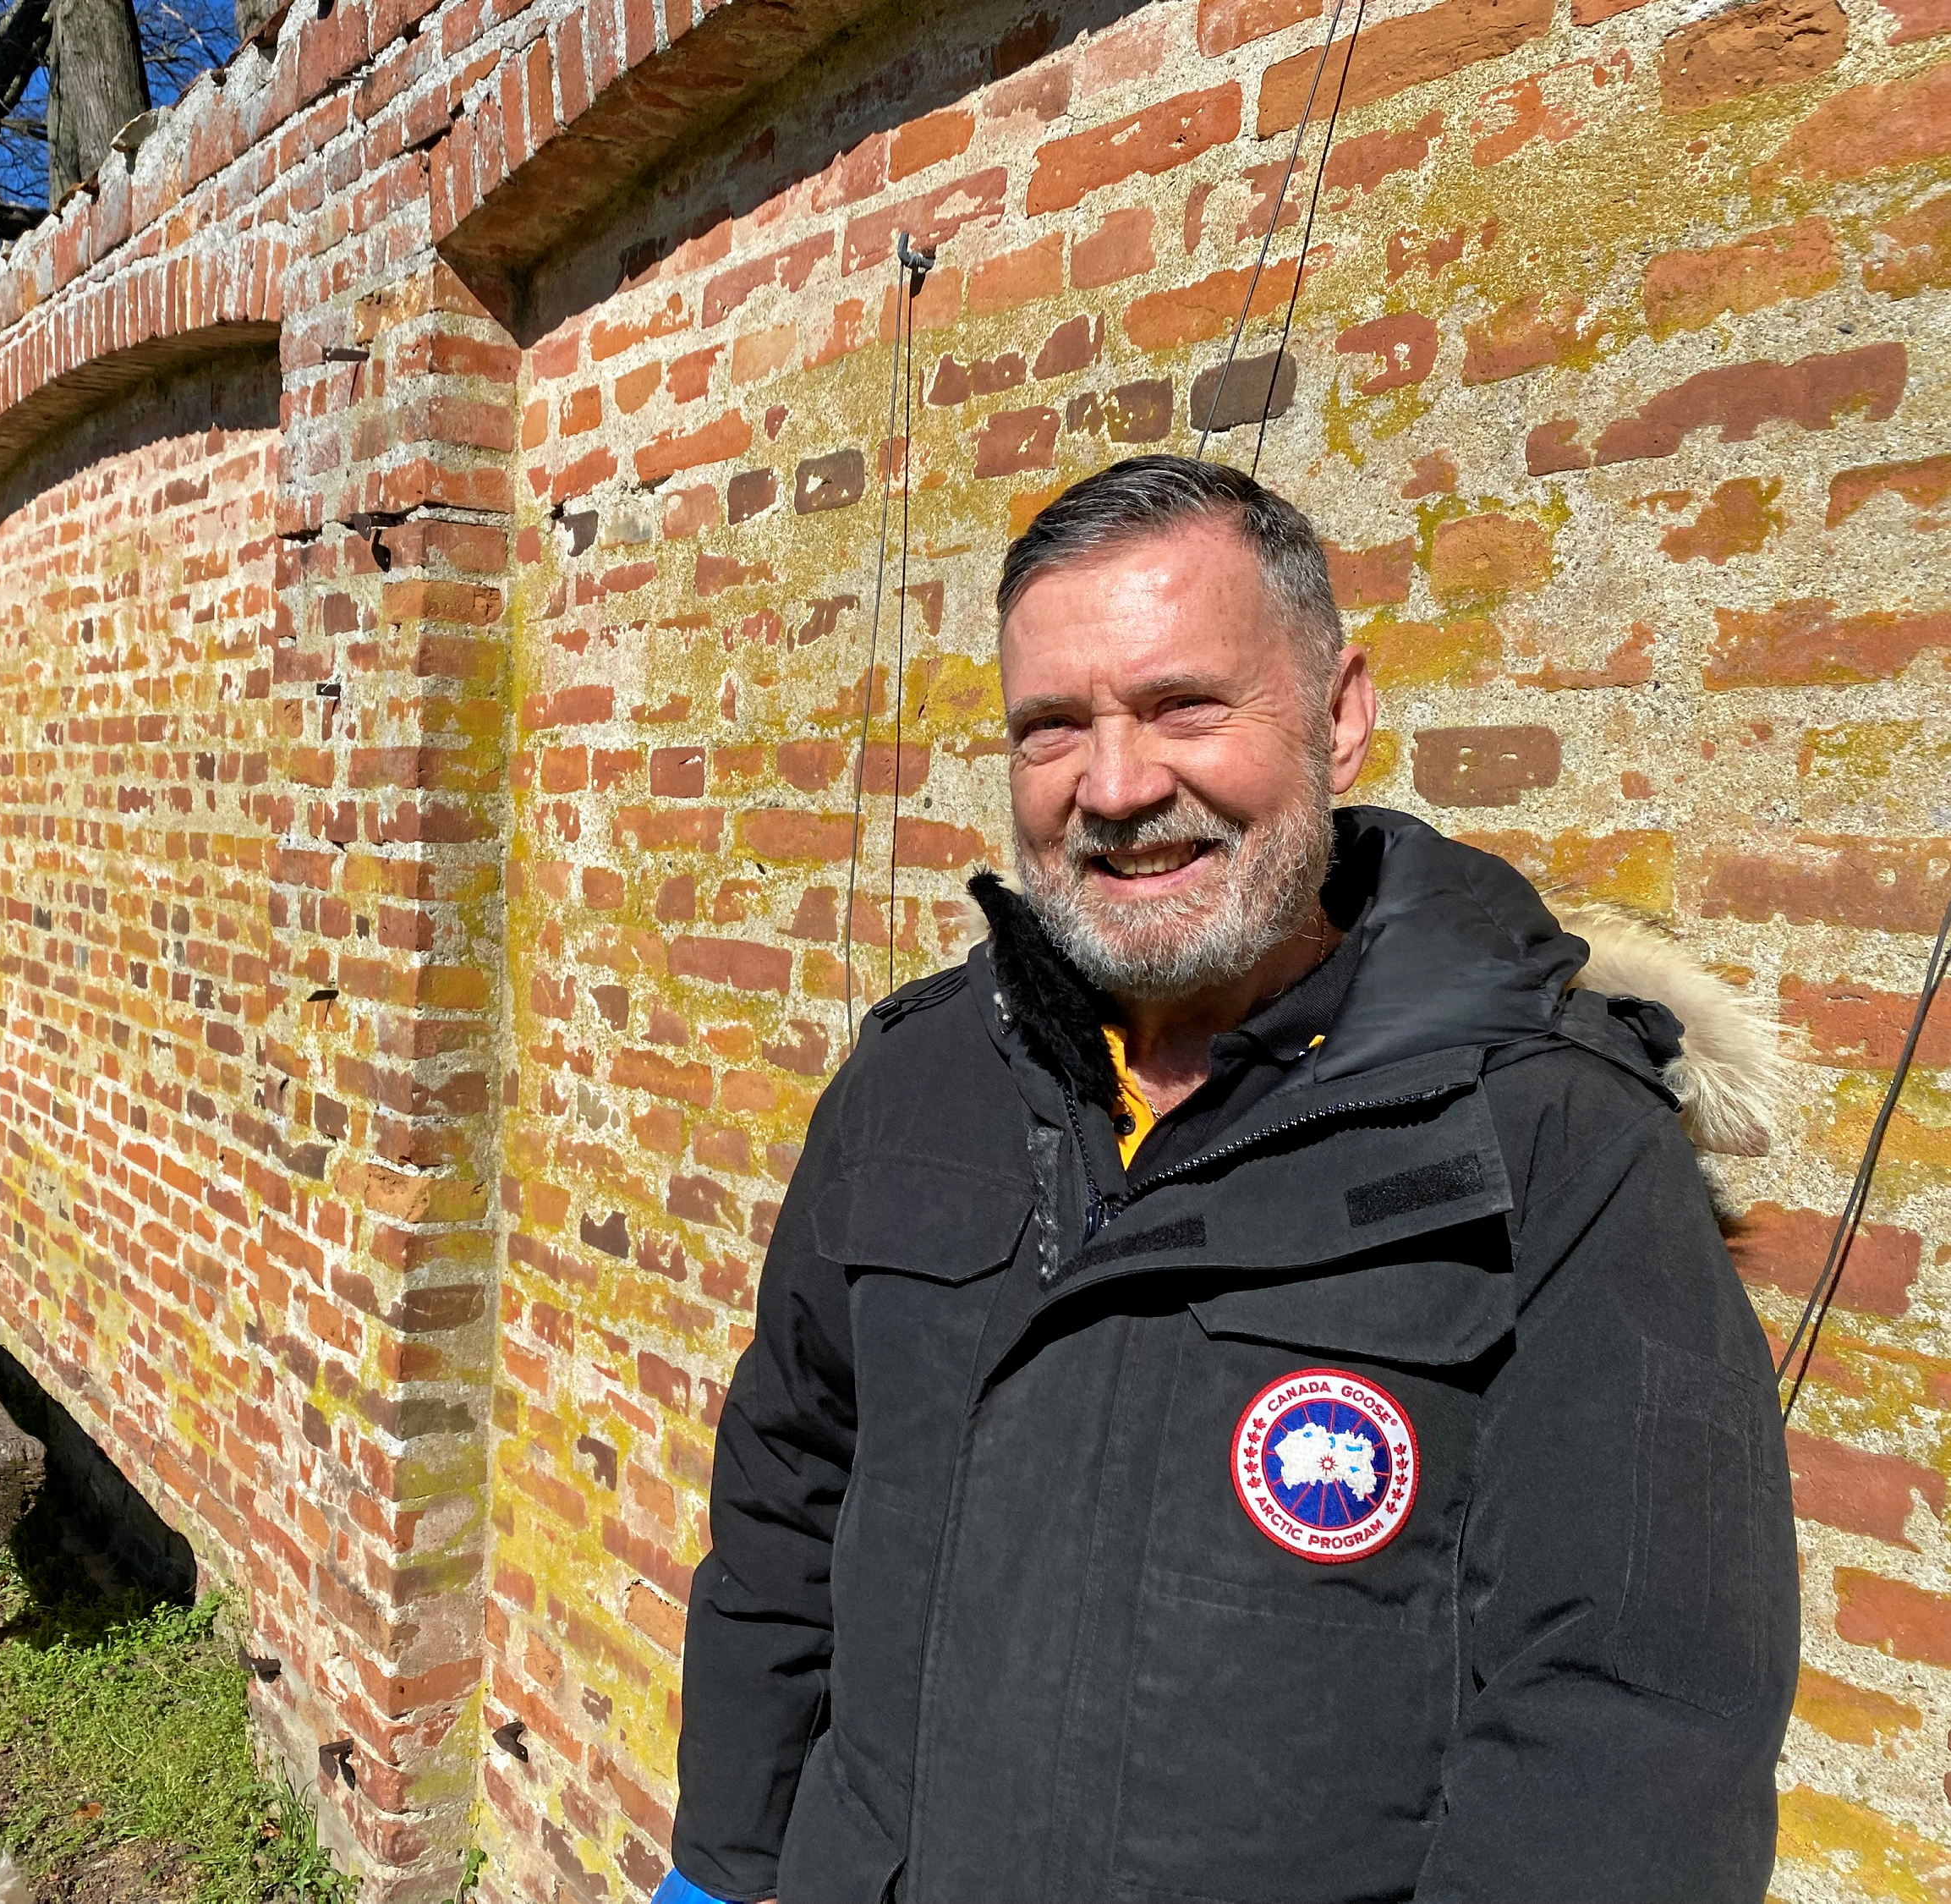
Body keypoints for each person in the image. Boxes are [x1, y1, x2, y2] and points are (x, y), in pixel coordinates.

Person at [661, 456, 1796, 1904]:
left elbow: (1634, 1728)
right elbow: (784, 1500)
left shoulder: (1551, 1140)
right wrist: (725, 1867)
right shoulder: (912, 1085)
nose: (1118, 787)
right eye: (1051, 729)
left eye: (1183, 705)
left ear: (1341, 712)